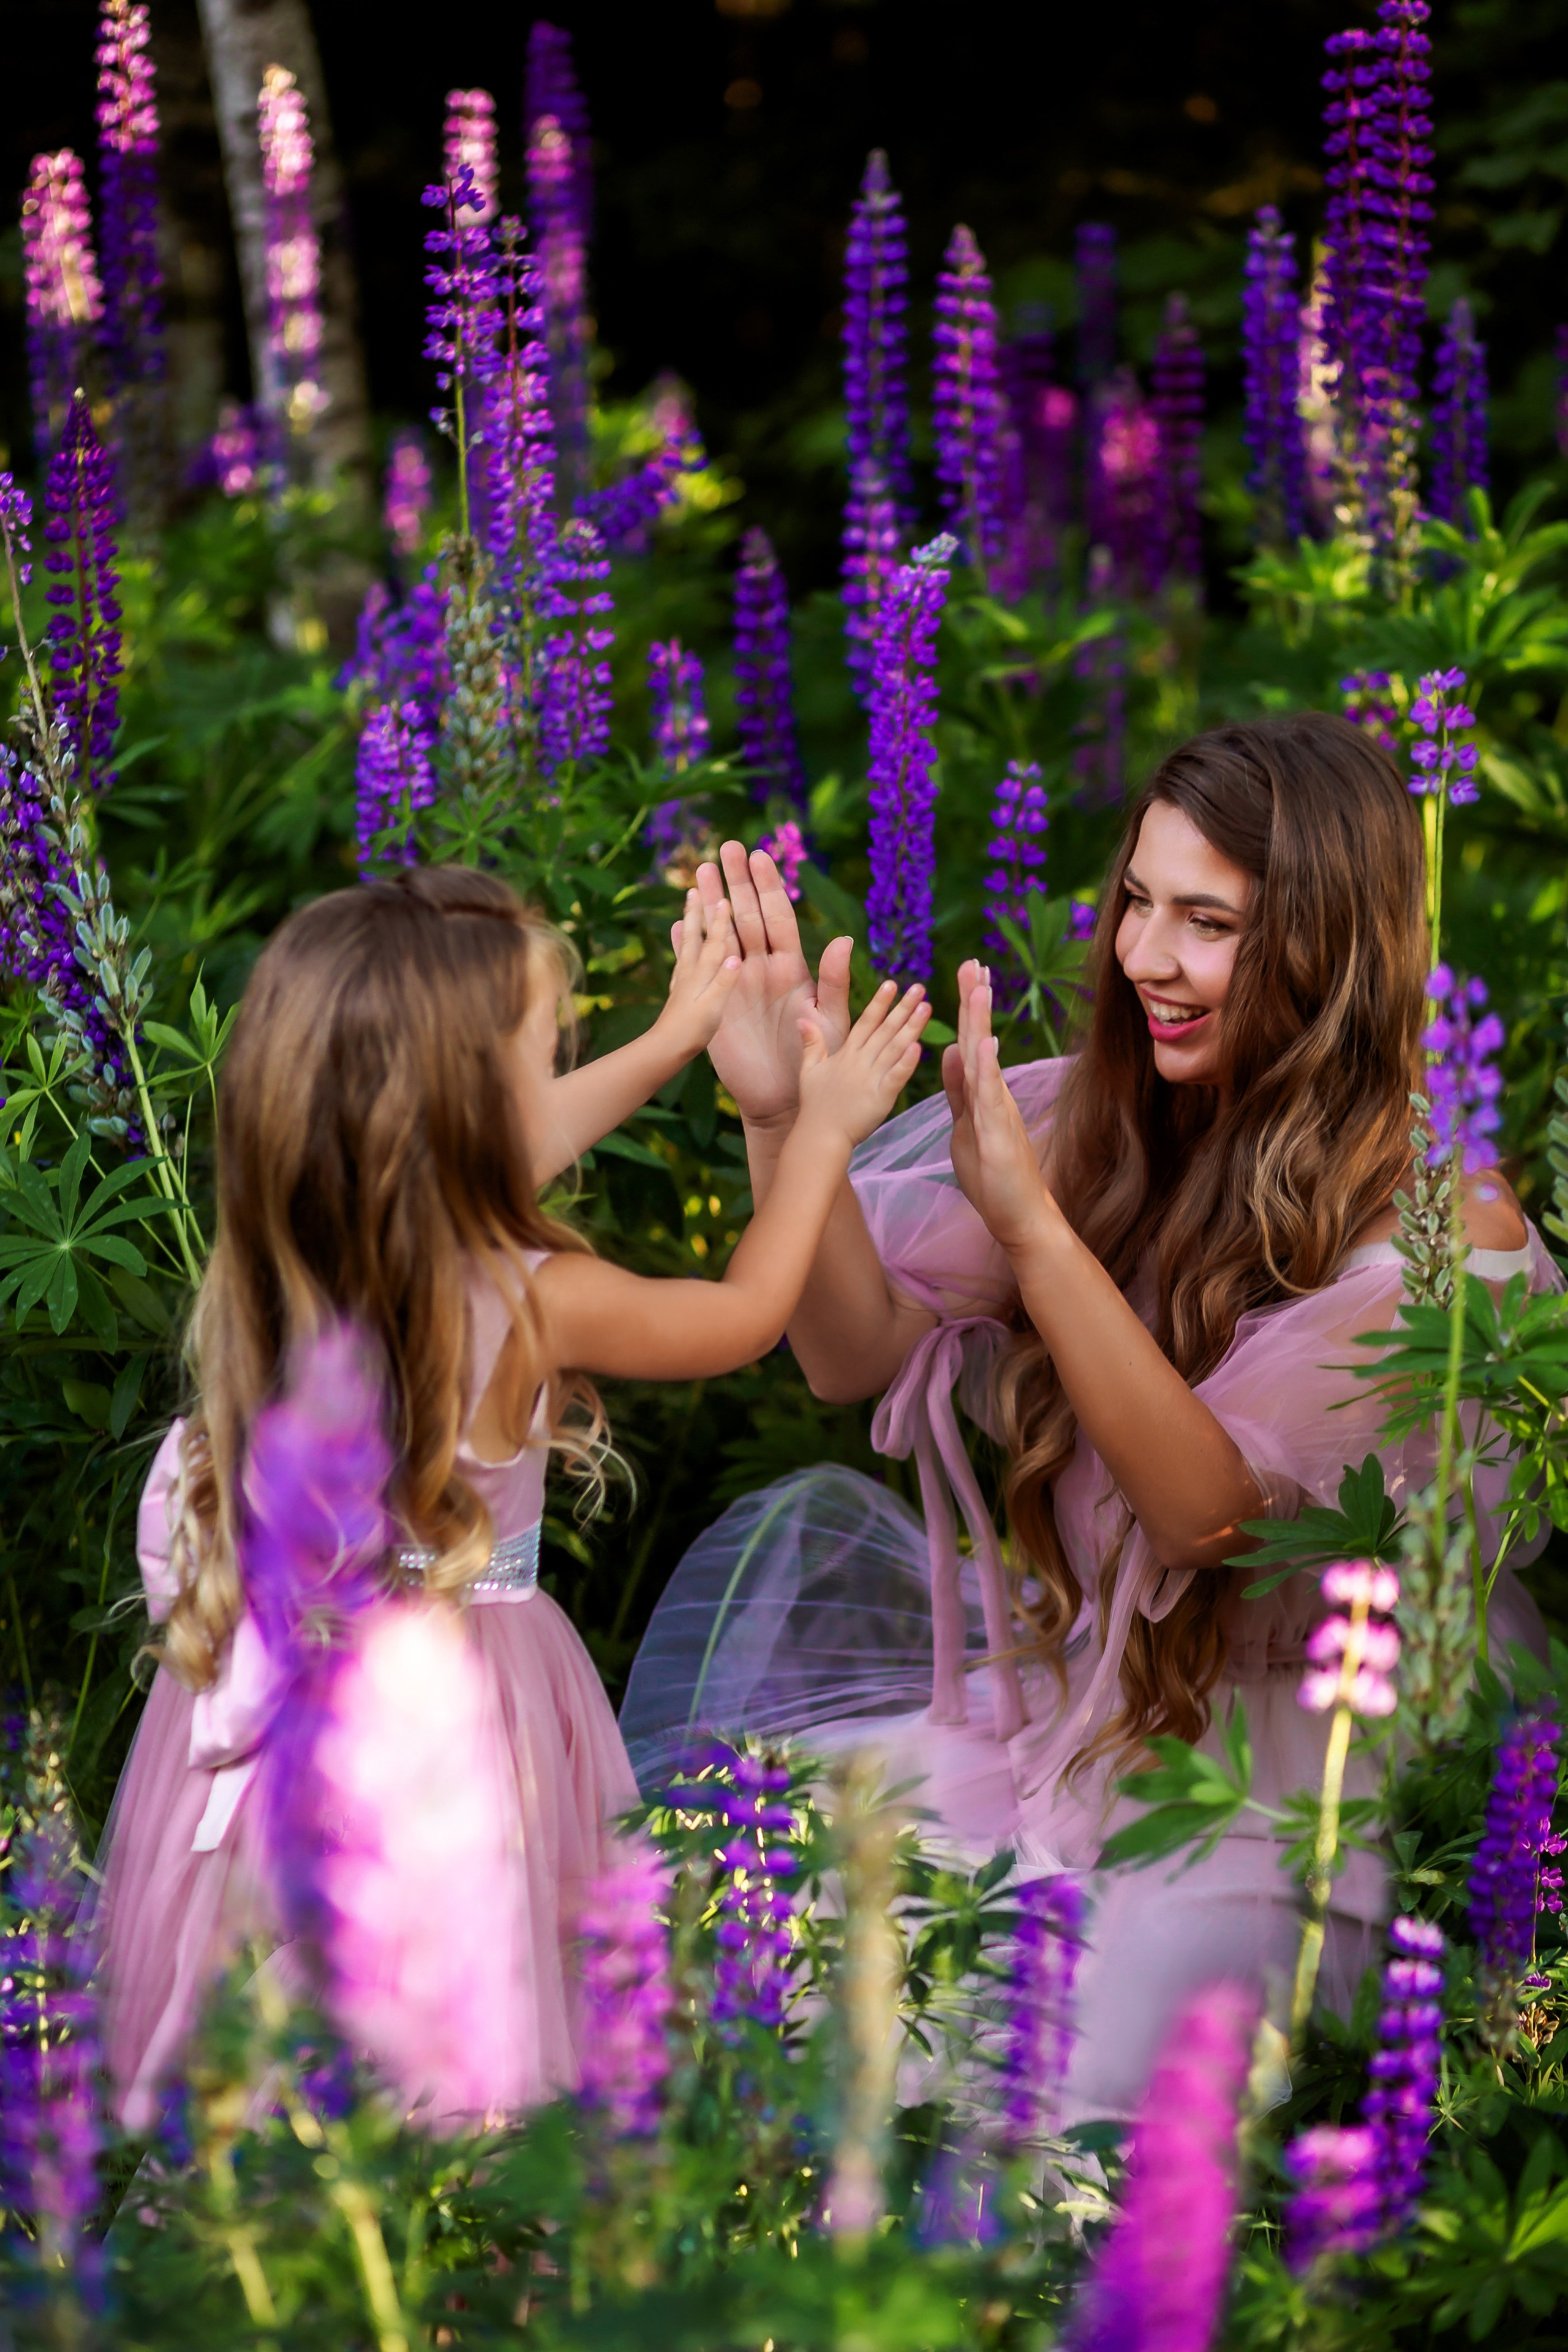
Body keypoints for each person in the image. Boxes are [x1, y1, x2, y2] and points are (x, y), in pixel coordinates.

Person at [621, 712, 1557, 2119]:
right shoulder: (1111, 1120)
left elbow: (1208, 1513)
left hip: (1301, 1789)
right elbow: (850, 1354)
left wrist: (1034, 1238)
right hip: (1090, 1719)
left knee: (1058, 2102)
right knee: (702, 1916)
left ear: (1327, 947)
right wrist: (779, 1123)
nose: (1142, 958)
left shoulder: (1443, 1237)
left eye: (1207, 922)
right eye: (1135, 899)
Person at [97, 862, 930, 2132]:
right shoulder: (532, 1297)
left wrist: (670, 1040)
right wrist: (821, 1127)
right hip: (465, 1709)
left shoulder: (300, 1257)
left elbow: (497, 1147)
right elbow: (751, 1314)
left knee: (302, 2040)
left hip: (289, 1706)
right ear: (465, 1111)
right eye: (541, 1058)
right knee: (489, 2030)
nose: (553, 1090)